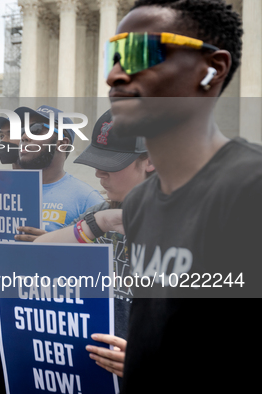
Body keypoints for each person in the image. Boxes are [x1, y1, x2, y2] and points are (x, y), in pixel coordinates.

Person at [100, 0, 259, 392]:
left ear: (212, 70)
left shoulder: (252, 188)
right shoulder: (137, 204)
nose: (115, 75)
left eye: (140, 53)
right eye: (114, 55)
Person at [0, 105, 104, 393]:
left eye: (38, 131)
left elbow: (99, 278)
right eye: (23, 130)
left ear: (64, 143)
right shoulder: (1, 190)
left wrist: (52, 247)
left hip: (47, 333)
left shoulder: (86, 199)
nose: (25, 137)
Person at [35, 109, 155, 379]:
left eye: (112, 162)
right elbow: (38, 256)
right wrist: (99, 222)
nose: (99, 172)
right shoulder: (102, 214)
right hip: (93, 370)